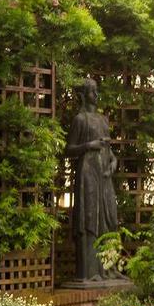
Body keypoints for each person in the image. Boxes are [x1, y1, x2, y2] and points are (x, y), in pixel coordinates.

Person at [64, 78, 118, 282]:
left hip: (105, 173)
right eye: (92, 91)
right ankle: (90, 271)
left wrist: (114, 162)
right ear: (84, 95)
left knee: (109, 218)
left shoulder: (104, 119)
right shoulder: (80, 119)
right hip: (88, 172)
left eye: (96, 91)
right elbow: (68, 150)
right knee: (89, 218)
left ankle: (109, 268)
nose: (95, 95)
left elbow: (110, 150)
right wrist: (89, 145)